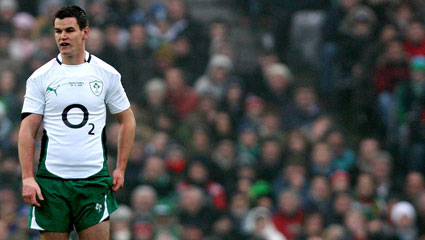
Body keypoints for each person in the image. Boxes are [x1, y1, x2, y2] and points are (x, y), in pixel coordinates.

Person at [18, 5, 136, 240]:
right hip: (52, 182)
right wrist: (27, 177)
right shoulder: (40, 77)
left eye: (69, 30)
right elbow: (27, 129)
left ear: (85, 32)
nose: (62, 36)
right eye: (58, 31)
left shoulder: (106, 74)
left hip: (93, 179)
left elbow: (127, 120)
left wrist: (121, 167)